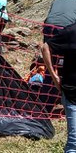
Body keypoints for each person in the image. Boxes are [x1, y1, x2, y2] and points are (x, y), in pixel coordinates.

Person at [42, 22, 76, 153]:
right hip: (72, 94)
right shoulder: (70, 31)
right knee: (74, 143)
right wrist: (54, 76)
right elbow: (46, 48)